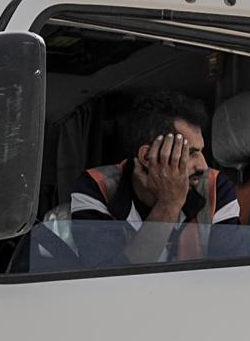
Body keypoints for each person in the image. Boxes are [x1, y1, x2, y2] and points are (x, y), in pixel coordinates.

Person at [70, 91, 239, 267]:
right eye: (190, 153)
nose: (203, 166)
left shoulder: (216, 188)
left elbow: (229, 278)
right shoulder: (97, 187)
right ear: (147, 156)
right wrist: (169, 204)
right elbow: (105, 282)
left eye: (201, 151)